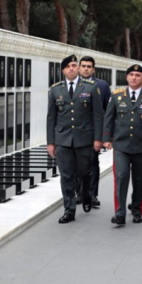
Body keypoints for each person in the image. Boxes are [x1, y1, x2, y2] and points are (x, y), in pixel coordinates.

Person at [103, 64, 142, 225]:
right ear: (127, 77)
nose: (135, 78)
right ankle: (120, 213)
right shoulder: (116, 95)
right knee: (121, 178)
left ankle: (137, 210)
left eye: (138, 75)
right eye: (132, 75)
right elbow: (108, 118)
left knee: (139, 180)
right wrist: (106, 139)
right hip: (121, 145)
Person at [47, 55, 103, 224]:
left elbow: (97, 115)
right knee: (66, 175)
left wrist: (97, 139)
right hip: (63, 139)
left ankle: (86, 194)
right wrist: (51, 142)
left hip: (84, 138)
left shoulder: (90, 87)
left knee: (84, 171)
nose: (72, 68)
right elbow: (51, 117)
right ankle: (69, 210)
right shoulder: (56, 89)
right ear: (63, 70)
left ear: (78, 68)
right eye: (68, 66)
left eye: (74, 65)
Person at [77, 56, 111, 208]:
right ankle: (79, 193)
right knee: (76, 164)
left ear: (93, 69)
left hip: (93, 133)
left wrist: (105, 135)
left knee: (92, 163)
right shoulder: (71, 84)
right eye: (83, 66)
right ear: (79, 68)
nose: (86, 69)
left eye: (89, 66)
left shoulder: (102, 86)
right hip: (76, 133)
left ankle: (92, 194)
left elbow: (108, 111)